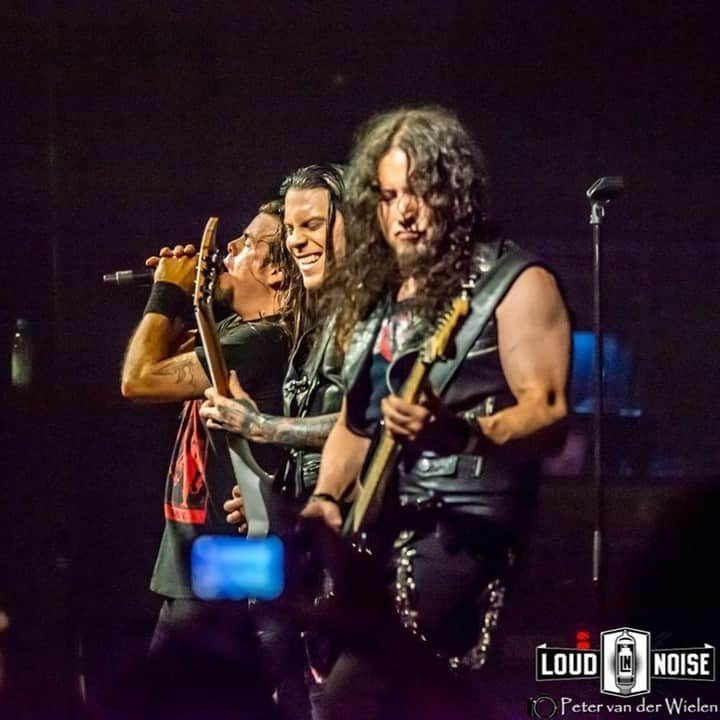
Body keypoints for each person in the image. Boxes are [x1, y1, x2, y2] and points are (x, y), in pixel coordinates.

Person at [302, 106, 572, 719]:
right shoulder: (380, 301)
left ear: (456, 194)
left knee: (348, 702)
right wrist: (325, 499)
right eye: (390, 195)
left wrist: (459, 431)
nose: (404, 211)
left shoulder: (515, 283)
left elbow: (549, 414)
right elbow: (354, 423)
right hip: (381, 530)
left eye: (421, 192)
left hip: (465, 530)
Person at [120, 201, 292, 664]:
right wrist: (182, 294)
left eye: (248, 243)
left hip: (218, 565)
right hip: (202, 564)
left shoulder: (263, 340)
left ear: (277, 273)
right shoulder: (235, 331)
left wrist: (165, 297)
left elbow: (139, 380)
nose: (230, 247)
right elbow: (162, 361)